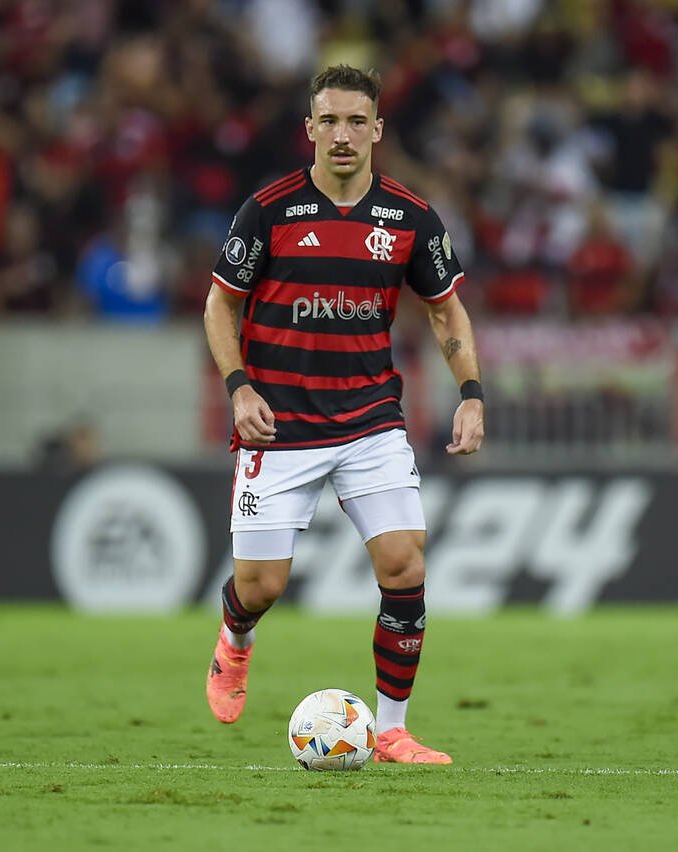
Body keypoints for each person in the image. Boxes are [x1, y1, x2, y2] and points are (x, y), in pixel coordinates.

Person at [202, 65, 484, 765]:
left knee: (403, 563)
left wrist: (471, 392)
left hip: (369, 419)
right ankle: (235, 640)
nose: (343, 134)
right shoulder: (268, 211)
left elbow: (446, 311)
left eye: (357, 121)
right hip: (279, 424)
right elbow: (219, 305)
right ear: (309, 130)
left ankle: (392, 729)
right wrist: (238, 386)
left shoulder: (410, 219)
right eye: (328, 121)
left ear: (378, 129)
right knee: (261, 586)